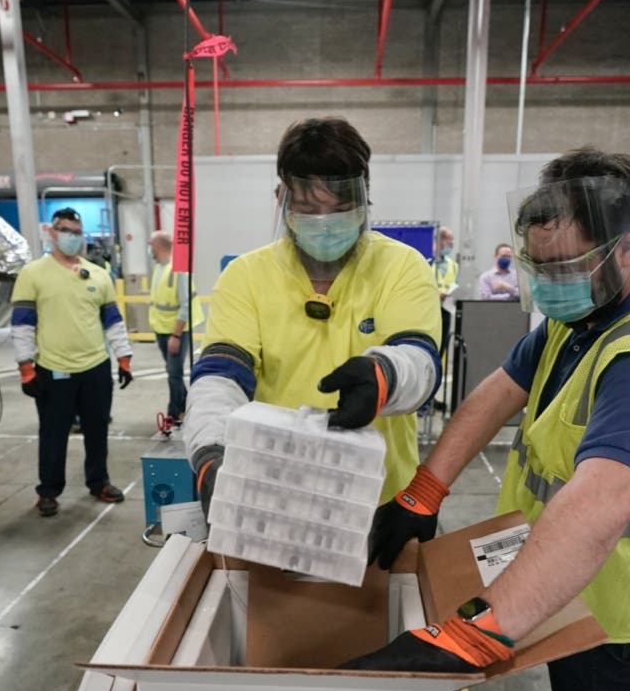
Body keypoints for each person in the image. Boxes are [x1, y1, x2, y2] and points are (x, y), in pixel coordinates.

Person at [344, 147, 630, 691]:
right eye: (540, 266)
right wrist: (425, 490)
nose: (553, 282)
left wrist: (478, 634)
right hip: (556, 575)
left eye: (569, 265)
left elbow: (598, 508)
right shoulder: (586, 311)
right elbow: (499, 392)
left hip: (612, 595)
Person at [184, 117, 442, 513]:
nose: (323, 226)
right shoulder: (245, 276)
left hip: (382, 501)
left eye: (339, 210)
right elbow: (220, 375)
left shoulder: (402, 267)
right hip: (276, 497)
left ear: (364, 200)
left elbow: (419, 359)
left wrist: (385, 374)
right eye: (307, 209)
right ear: (281, 200)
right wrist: (210, 452)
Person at [11, 208, 134, 517]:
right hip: (54, 369)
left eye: (77, 232)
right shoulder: (33, 274)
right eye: (65, 230)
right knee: (53, 434)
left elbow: (113, 322)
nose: (71, 237)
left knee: (97, 431)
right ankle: (49, 491)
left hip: (96, 366)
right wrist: (26, 367)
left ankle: (99, 481)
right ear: (52, 233)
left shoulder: (98, 274)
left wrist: (124, 357)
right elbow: (22, 324)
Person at [149, 231, 204, 430]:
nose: (149, 249)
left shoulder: (178, 269)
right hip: (162, 329)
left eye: (151, 244)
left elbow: (185, 305)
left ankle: (173, 414)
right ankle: (189, 407)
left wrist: (176, 335)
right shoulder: (159, 269)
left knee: (174, 374)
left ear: (159, 246)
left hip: (176, 332)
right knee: (173, 373)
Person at [433, 226, 458, 353]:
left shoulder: (453, 265)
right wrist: (435, 295)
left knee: (442, 346)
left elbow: (455, 284)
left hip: (446, 310)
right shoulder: (427, 261)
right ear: (439, 240)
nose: (452, 244)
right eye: (449, 240)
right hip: (430, 310)